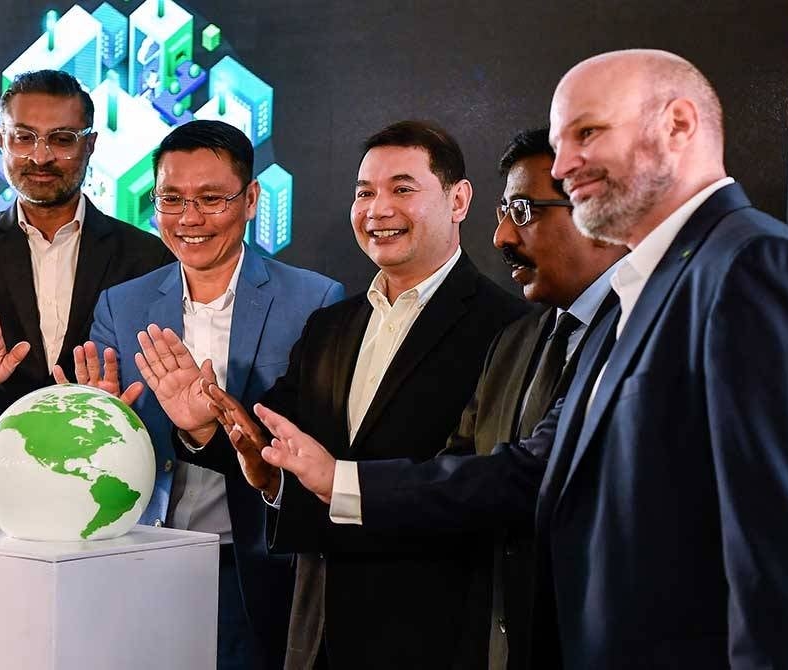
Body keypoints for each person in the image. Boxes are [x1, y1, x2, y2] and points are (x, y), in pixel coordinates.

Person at [254, 50, 788, 669]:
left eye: (587, 134)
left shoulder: (750, 267)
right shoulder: (630, 301)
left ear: (678, 126)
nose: (565, 165)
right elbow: (525, 473)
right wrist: (333, 481)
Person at [135, 120, 528, 669]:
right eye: (365, 192)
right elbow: (275, 446)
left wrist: (340, 482)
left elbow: (481, 486)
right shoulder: (332, 326)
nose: (378, 208)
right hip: (319, 629)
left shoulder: (509, 328)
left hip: (436, 632)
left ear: (458, 199)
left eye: (402, 189)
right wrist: (204, 426)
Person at [57, 119, 344, 670]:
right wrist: (96, 416)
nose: (190, 218)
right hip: (138, 555)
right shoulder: (123, 304)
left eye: (212, 199)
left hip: (252, 563)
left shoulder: (314, 299)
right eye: (171, 199)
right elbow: (101, 443)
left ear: (252, 199)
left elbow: (316, 444)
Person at [0, 69, 172, 534]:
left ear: (89, 145)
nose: (41, 156)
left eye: (62, 139)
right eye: (24, 137)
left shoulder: (146, 254)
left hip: (98, 488)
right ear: (1, 140)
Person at [450, 128, 625, 669]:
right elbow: (457, 472)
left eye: (523, 210)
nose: (501, 235)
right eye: (504, 209)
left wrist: (341, 483)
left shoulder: (649, 331)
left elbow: (530, 476)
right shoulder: (513, 342)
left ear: (598, 212)